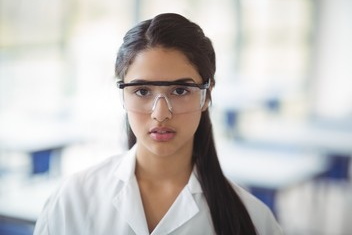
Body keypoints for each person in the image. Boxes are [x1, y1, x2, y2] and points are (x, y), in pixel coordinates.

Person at [34, 13, 283, 235]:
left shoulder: (255, 221)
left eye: (180, 90)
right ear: (122, 94)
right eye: (142, 91)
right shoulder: (73, 198)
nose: (161, 114)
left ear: (206, 95)